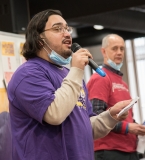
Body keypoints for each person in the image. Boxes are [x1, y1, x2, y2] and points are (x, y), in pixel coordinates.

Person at [7, 10, 130, 160]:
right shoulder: (28, 74)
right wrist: (77, 69)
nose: (66, 34)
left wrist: (111, 117)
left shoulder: (70, 75)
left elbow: (86, 127)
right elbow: (54, 114)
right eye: (58, 29)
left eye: (67, 28)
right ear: (39, 40)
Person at [87, 34, 145, 160]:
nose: (119, 52)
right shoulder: (100, 78)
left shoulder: (122, 83)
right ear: (103, 51)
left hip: (129, 150)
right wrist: (128, 127)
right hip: (109, 151)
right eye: (114, 48)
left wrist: (137, 127)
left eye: (122, 49)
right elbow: (96, 116)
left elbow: (127, 117)